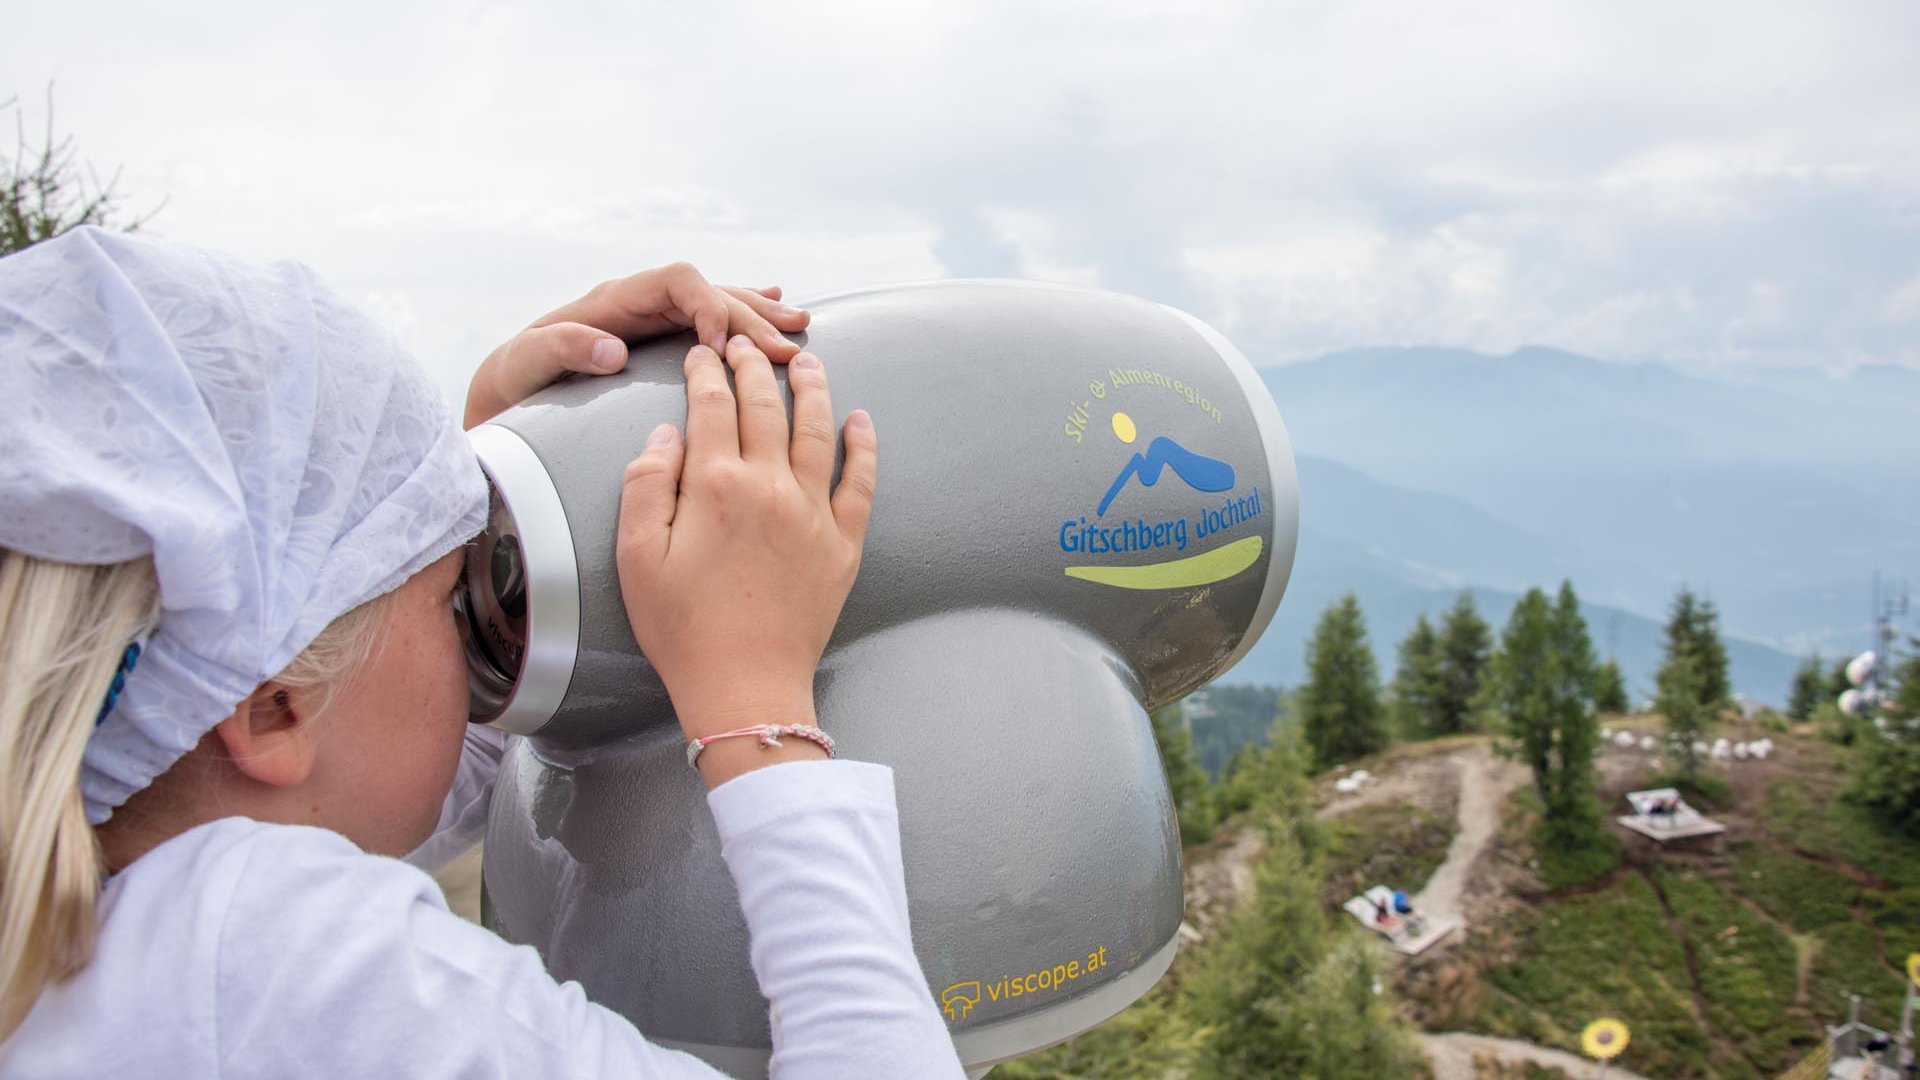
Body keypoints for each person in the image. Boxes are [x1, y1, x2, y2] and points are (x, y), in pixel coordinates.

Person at [0, 227, 967, 1078]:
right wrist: (758, 702)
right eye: (450, 590)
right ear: (271, 708)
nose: (478, 619)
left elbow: (380, 765)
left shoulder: (82, 879)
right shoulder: (263, 960)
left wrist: (506, 455)